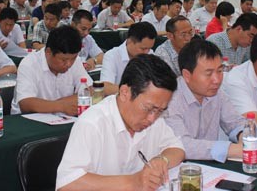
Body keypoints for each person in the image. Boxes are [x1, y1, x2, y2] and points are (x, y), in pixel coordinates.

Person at [56, 55, 185, 191]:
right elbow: (66, 184)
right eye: (148, 108)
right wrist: (133, 182)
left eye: (160, 111)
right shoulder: (92, 123)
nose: (152, 119)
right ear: (125, 93)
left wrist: (162, 160)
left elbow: (177, 149)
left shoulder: (155, 119)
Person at [165, 39, 257, 162]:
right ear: (187, 75)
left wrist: (243, 135)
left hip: (210, 166)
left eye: (219, 71)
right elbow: (180, 145)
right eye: (208, 74)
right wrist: (232, 149)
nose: (217, 80)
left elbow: (235, 121)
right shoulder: (169, 100)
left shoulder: (216, 93)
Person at [11, 26, 92, 115]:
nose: (69, 64)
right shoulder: (29, 64)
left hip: (62, 118)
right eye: (64, 60)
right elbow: (26, 104)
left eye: (73, 58)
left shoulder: (75, 61)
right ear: (48, 52)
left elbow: (90, 90)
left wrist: (60, 104)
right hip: (29, 120)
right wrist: (62, 106)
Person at [101, 22, 157, 96]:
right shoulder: (112, 56)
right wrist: (137, 90)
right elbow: (106, 88)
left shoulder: (151, 54)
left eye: (149, 48)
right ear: (129, 41)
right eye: (143, 48)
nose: (146, 52)